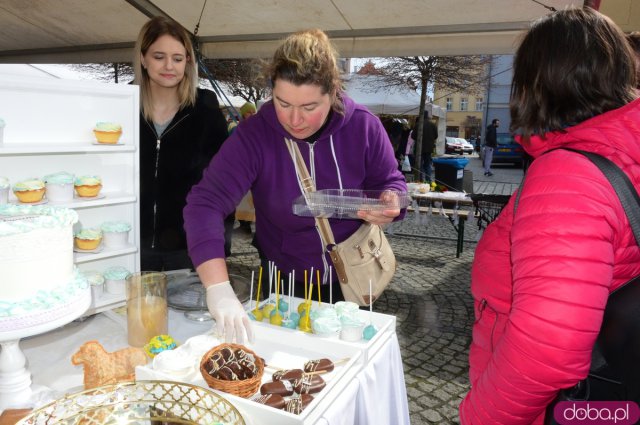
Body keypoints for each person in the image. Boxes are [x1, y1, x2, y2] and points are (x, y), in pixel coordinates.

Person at [459, 7, 640, 424]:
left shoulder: (569, 173)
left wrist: (480, 416)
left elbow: (547, 344)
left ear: (537, 82)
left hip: (554, 407)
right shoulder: (618, 151)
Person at [184, 28, 406, 343]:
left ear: (333, 93)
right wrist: (218, 288)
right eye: (283, 103)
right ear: (271, 90)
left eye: (310, 107)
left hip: (353, 279)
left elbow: (391, 182)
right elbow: (205, 203)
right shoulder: (255, 136)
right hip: (287, 282)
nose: (295, 119)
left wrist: (392, 201)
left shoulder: (364, 126)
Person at [134, 16, 230, 271]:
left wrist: (218, 241)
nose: (169, 66)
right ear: (143, 58)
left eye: (177, 58)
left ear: (187, 61)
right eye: (158, 56)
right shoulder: (122, 106)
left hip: (190, 247)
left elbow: (223, 182)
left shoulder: (206, 110)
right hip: (130, 244)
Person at [410, 111, 438, 182]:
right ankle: (428, 181)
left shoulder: (418, 124)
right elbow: (436, 136)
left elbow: (412, 136)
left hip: (419, 148)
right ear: (427, 116)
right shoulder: (433, 125)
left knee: (419, 165)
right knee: (427, 165)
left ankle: (420, 180)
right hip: (429, 148)